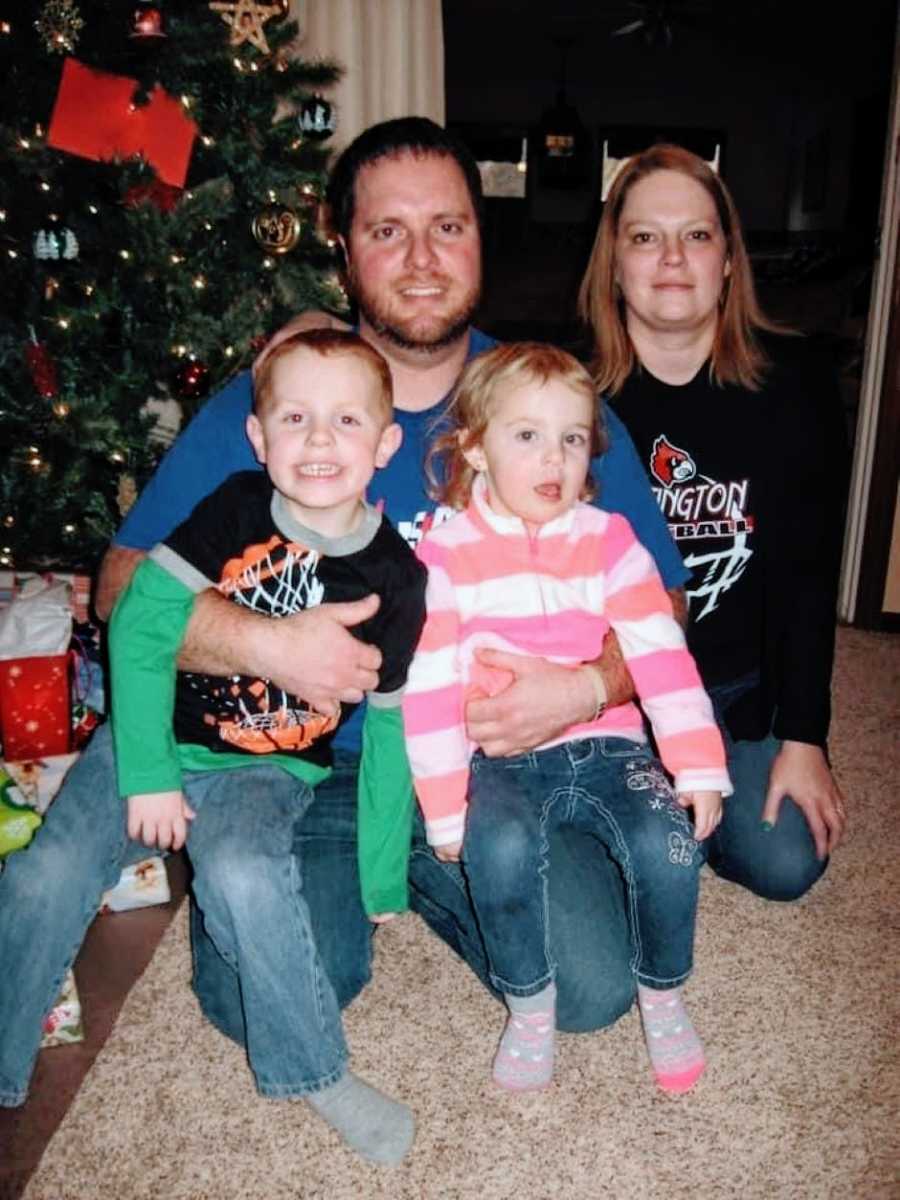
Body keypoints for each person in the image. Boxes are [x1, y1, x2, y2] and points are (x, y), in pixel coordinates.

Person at [0, 119, 686, 1117]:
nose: (420, 260)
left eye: (447, 227)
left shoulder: (544, 397)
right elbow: (119, 586)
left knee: (593, 992)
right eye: (387, 231)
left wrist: (580, 689)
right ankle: (379, 885)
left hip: (495, 761)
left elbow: (663, 602)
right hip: (297, 759)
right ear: (342, 242)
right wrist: (267, 644)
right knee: (255, 1000)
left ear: (480, 241)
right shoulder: (282, 394)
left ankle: (435, 877)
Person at [4, 330, 426, 1165]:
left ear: (384, 444)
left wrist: (383, 872)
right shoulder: (233, 507)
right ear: (261, 437)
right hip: (153, 734)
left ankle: (317, 1072)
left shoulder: (398, 579)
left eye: (346, 420)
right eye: (295, 418)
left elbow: (390, 728)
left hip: (269, 765)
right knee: (44, 872)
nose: (318, 440)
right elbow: (141, 623)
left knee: (242, 872)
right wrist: (153, 775)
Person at [403, 342, 731, 1094]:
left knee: (670, 844)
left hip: (611, 749)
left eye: (572, 438)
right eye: (527, 436)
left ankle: (664, 994)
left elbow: (658, 652)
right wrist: (446, 808)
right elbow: (428, 686)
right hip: (503, 760)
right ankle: (528, 1006)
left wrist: (698, 762)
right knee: (502, 849)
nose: (554, 459)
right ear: (477, 449)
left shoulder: (611, 541)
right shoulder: (445, 554)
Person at [577, 143, 849, 901]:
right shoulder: (565, 391)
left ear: (729, 259)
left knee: (786, 862)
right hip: (619, 689)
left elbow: (805, 575)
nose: (671, 257)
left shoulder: (795, 385)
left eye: (696, 235)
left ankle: (702, 805)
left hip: (740, 686)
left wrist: (805, 737)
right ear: (615, 261)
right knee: (631, 870)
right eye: (644, 236)